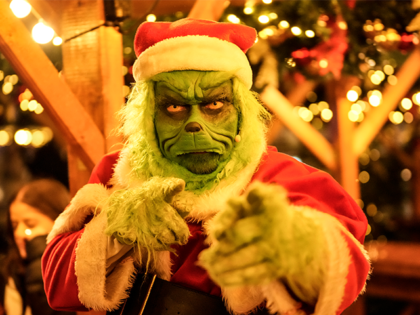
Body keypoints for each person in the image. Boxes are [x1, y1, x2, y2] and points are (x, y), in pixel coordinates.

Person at [42, 19, 370, 315]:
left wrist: (296, 244)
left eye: (214, 104)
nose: (195, 124)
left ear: (241, 112)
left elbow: (343, 270)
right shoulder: (116, 175)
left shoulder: (284, 179)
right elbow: (55, 284)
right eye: (173, 106)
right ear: (147, 118)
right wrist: (115, 228)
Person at [1, 179, 75, 315]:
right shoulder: (9, 271)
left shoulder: (74, 269)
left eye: (30, 224)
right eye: (14, 225)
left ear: (59, 222)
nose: (19, 233)